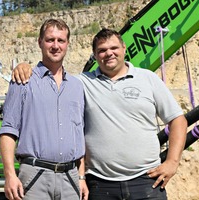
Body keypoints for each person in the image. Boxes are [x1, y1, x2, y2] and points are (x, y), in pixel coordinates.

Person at [12, 28, 187, 200]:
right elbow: (55, 75)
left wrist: (172, 162)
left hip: (146, 181)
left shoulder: (148, 79)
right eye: (102, 50)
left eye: (114, 48)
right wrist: (24, 67)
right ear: (95, 56)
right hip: (100, 185)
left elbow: (177, 120)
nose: (108, 54)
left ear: (124, 48)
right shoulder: (82, 83)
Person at [0, 19, 88, 200]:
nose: (55, 45)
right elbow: (8, 130)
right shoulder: (23, 80)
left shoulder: (77, 86)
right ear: (40, 42)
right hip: (35, 177)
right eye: (50, 40)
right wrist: (9, 175)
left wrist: (81, 176)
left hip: (70, 178)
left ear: (68, 44)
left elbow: (78, 135)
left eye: (60, 40)